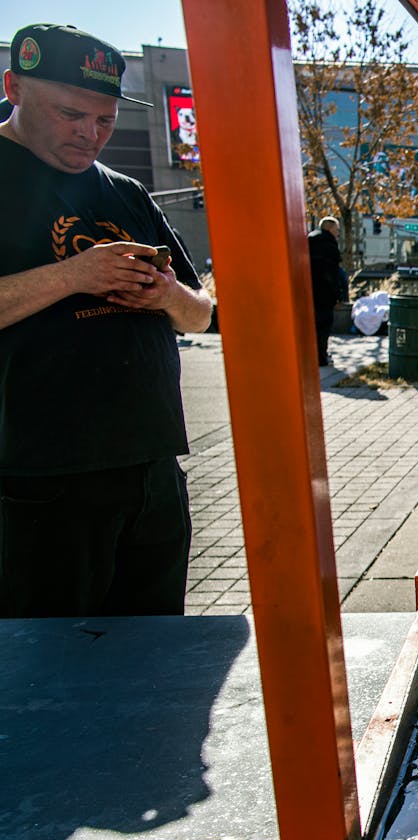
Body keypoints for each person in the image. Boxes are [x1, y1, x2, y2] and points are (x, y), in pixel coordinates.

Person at [0, 23, 213, 618]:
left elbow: (200, 314)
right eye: (71, 115)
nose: (90, 135)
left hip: (152, 467)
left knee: (154, 650)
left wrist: (166, 295)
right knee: (49, 670)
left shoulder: (126, 192)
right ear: (14, 87)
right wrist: (72, 275)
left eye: (105, 119)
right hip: (38, 478)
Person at [307, 215, 344, 366]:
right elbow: (332, 273)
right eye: (337, 230)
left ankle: (311, 355)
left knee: (312, 325)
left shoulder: (309, 239)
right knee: (323, 325)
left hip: (308, 289)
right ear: (329, 228)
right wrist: (338, 295)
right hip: (324, 293)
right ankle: (321, 357)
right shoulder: (329, 245)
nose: (338, 233)